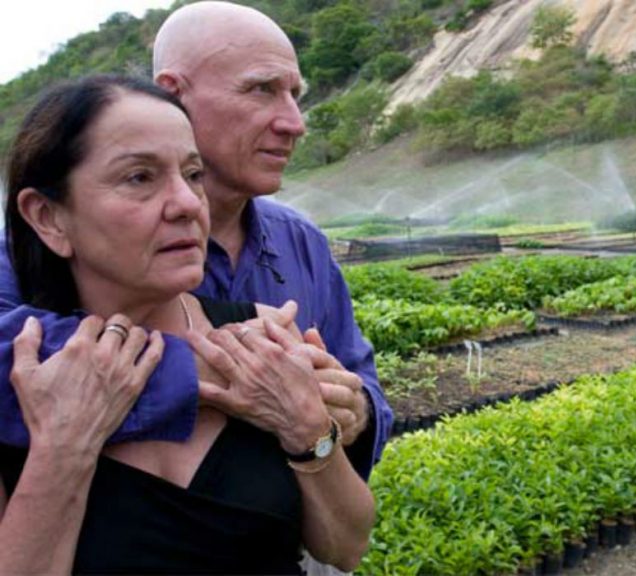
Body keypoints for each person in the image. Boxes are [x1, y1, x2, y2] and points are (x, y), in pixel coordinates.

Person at [0, 0, 392, 481]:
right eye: (262, 90)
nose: (295, 122)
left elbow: (359, 377)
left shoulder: (303, 243)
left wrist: (352, 410)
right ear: (174, 95)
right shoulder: (36, 247)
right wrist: (217, 370)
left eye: (295, 94)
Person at [0, 74, 375, 574]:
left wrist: (309, 429)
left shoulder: (262, 338)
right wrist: (64, 450)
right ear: (47, 217)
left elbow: (346, 547)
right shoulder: (25, 380)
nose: (186, 204)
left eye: (193, 175)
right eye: (139, 178)